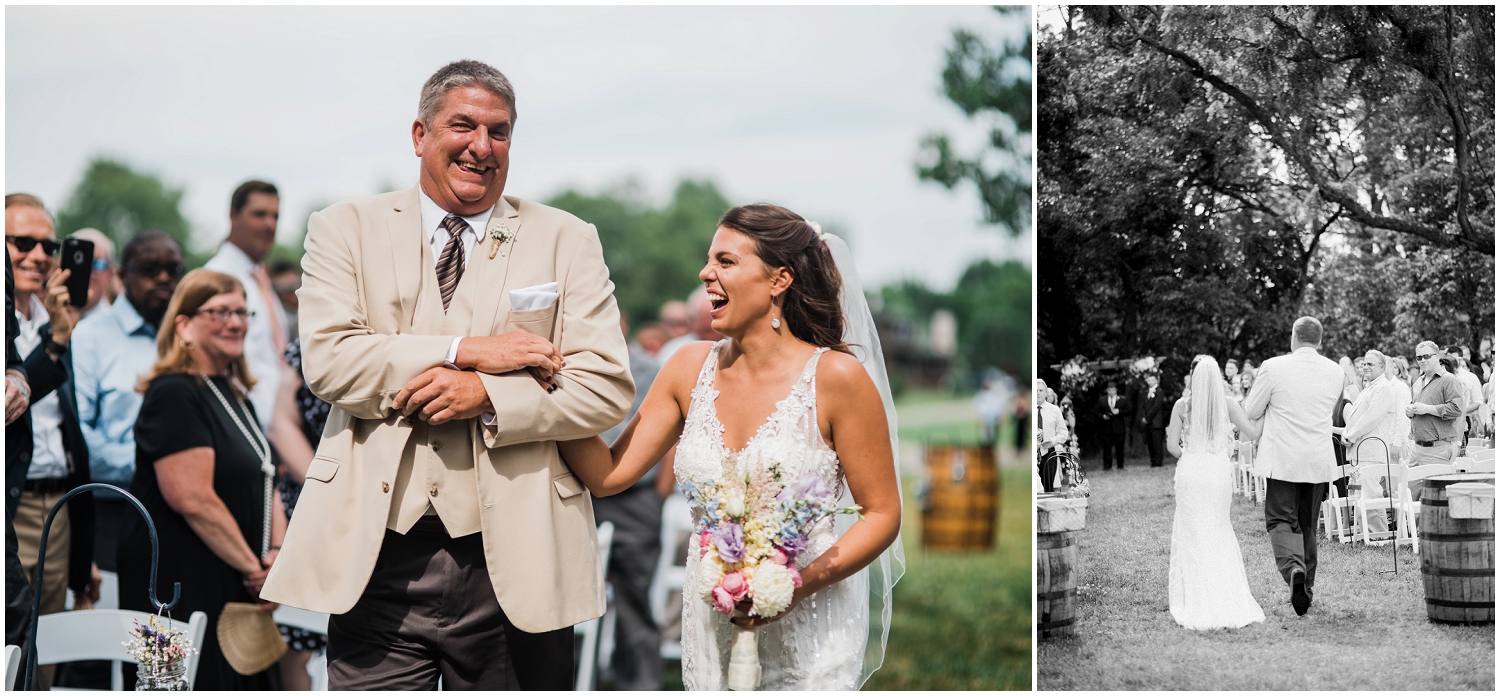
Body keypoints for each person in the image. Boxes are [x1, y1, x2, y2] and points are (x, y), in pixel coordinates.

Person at [261, 60, 634, 690]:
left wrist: (486, 394)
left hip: (521, 556)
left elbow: (603, 385)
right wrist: (467, 350)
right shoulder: (342, 229)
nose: (482, 148)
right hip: (376, 558)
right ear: (419, 135)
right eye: (463, 126)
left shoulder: (567, 239)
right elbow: (330, 362)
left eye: (500, 132)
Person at [555, 204, 903, 690]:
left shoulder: (837, 379)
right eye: (707, 260)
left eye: (725, 261)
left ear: (779, 280)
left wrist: (796, 587)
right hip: (715, 617)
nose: (705, 273)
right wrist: (551, 389)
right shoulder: (686, 368)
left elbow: (882, 513)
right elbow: (606, 475)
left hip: (811, 622)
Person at [118, 269, 285, 689]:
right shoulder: (174, 392)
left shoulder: (233, 394)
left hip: (233, 579)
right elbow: (192, 497)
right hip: (180, 586)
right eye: (220, 312)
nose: (236, 322)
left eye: (242, 312)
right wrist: (254, 570)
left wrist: (278, 557)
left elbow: (268, 476)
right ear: (184, 325)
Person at [6, 194, 99, 687]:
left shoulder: (50, 316)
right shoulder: (42, 328)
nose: (38, 255)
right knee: (11, 645)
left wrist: (84, 551)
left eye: (48, 244)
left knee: (48, 648)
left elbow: (70, 432)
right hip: (12, 500)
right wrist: (57, 341)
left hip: (59, 502)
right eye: (21, 242)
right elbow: (11, 404)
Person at [71, 230, 185, 572]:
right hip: (111, 509)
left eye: (173, 269)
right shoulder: (89, 336)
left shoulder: (185, 338)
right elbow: (78, 433)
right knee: (115, 622)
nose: (163, 278)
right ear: (122, 276)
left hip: (179, 514)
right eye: (150, 268)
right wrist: (156, 468)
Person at [1242, 317, 1343, 616]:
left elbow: (1251, 410)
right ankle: (1306, 590)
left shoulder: (1273, 367)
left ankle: (1293, 569)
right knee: (1308, 526)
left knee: (1280, 521)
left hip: (1283, 459)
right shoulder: (1336, 371)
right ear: (1320, 340)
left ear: (1293, 337)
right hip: (1318, 459)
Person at [1165, 356, 1265, 629]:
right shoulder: (1230, 405)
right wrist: (1266, 409)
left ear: (1195, 378)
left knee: (1192, 531)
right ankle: (1224, 592)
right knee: (1218, 527)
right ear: (1218, 378)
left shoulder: (1181, 406)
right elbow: (1254, 433)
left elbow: (1173, 447)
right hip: (1217, 472)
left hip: (1191, 472)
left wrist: (1191, 455)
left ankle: (1196, 594)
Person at [203, 180, 289, 436]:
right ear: (233, 215)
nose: (269, 224)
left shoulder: (259, 279)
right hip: (249, 428)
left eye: (275, 216)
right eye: (259, 214)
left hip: (280, 428)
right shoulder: (217, 278)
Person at [1406, 342, 1464, 466]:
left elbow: (1456, 409)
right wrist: (1409, 410)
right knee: (1408, 484)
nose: (1422, 360)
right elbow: (1415, 406)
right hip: (1416, 448)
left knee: (1436, 486)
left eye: (1427, 356)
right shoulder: (1418, 382)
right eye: (1419, 357)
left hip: (1438, 449)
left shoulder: (1449, 379)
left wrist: (1428, 409)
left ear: (1437, 357)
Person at [657, 287, 722, 364]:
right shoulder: (674, 350)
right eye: (701, 318)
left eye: (712, 318)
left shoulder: (736, 347)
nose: (707, 325)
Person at [67, 228, 117, 317]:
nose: (87, 271)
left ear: (109, 275)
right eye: (78, 261)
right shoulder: (43, 320)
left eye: (96, 264)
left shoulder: (116, 327)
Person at [1446, 347, 1484, 453]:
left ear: (1461, 358)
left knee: (1460, 454)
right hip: (1444, 420)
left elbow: (1478, 400)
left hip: (1464, 418)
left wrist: (1462, 411)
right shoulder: (1443, 376)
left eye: (1453, 358)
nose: (1450, 361)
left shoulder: (1469, 377)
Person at [1035, 380, 1067, 492]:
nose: (1038, 392)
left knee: (1047, 489)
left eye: (1041, 390)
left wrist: (1052, 441)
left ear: (1046, 393)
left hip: (1049, 454)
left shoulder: (1055, 410)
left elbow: (1064, 433)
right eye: (1035, 390)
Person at [1137, 372, 1169, 468]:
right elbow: (1142, 406)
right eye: (1149, 380)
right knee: (1150, 442)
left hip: (1156, 421)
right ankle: (1153, 461)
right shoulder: (1145, 392)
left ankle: (1159, 462)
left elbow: (1156, 407)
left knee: (1157, 442)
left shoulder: (1159, 391)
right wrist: (1143, 417)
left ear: (1156, 381)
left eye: (1152, 380)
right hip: (1147, 422)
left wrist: (1147, 418)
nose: (1150, 382)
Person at [1095, 381, 1129, 470]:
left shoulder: (1123, 399)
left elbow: (1128, 411)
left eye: (1113, 390)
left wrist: (1119, 411)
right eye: (1109, 390)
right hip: (1106, 428)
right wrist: (1103, 416)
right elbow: (1096, 412)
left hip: (1119, 428)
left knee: (1120, 448)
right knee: (1106, 448)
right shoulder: (1102, 400)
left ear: (1116, 390)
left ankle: (1120, 465)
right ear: (1107, 390)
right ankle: (1107, 466)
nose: (1111, 392)